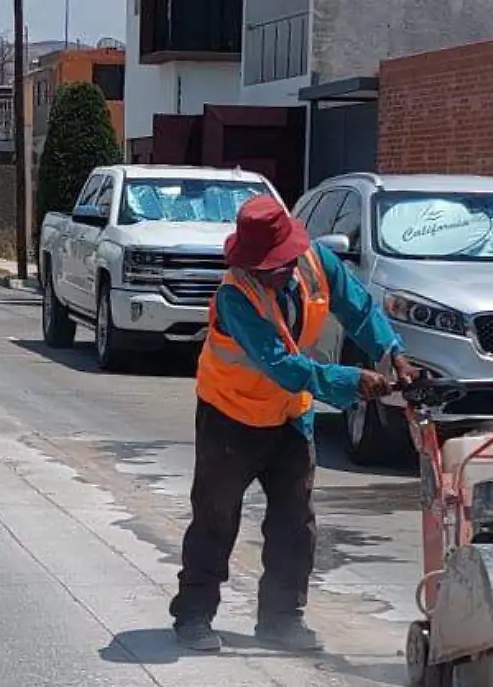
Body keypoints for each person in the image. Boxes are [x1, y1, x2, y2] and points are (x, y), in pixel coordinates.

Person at [170, 194, 415, 653]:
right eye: (265, 268)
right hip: (231, 416)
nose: (274, 274)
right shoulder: (235, 296)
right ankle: (193, 615)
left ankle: (282, 618)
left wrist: (392, 351)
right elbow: (283, 364)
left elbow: (358, 307)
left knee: (294, 521)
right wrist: (353, 382)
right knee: (215, 519)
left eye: (279, 265)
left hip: (289, 415)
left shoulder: (315, 262)